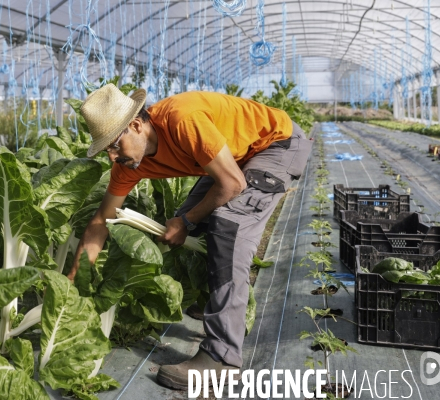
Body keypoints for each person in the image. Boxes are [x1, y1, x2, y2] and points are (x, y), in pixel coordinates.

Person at [67, 83, 313, 390]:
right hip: (237, 156)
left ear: (136, 124)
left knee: (228, 227)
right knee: (192, 223)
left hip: (277, 145)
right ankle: (213, 301)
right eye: (106, 151)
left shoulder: (181, 120)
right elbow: (100, 222)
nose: (112, 158)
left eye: (114, 147)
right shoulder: (127, 163)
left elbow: (233, 184)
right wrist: (72, 282)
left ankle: (222, 358)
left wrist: (184, 221)